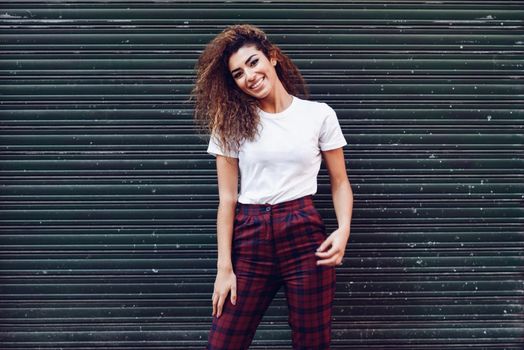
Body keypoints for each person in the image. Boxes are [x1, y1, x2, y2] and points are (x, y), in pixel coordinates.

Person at [191, 23, 353, 350]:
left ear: (273, 58)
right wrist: (224, 268)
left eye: (253, 62)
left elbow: (340, 182)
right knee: (223, 342)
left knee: (312, 344)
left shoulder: (318, 115)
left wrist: (343, 229)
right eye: (238, 73)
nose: (249, 76)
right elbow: (226, 200)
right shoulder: (231, 122)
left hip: (305, 236)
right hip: (249, 239)